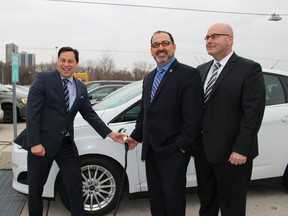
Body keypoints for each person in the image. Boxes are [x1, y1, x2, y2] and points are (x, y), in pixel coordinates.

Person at [14, 47, 125, 216]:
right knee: (36, 188)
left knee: (74, 185)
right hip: (41, 144)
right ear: (58, 62)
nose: (66, 64)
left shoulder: (81, 87)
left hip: (65, 144)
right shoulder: (44, 79)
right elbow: (32, 113)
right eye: (63, 60)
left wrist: (110, 133)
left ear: (76, 63)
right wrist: (35, 142)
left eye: (70, 61)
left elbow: (89, 114)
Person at [126, 30, 204, 216]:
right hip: (152, 149)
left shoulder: (188, 74)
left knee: (173, 198)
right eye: (156, 45)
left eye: (165, 43)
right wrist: (136, 136)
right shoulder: (149, 77)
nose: (160, 48)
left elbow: (193, 117)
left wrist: (182, 147)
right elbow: (146, 112)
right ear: (151, 51)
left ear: (173, 47)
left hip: (174, 151)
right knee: (156, 197)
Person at [194, 23, 266, 216]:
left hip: (232, 155)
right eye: (207, 37)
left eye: (215, 36)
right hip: (203, 152)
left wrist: (241, 149)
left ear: (230, 39)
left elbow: (253, 113)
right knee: (207, 204)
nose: (209, 41)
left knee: (232, 207)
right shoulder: (201, 70)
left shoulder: (248, 68)